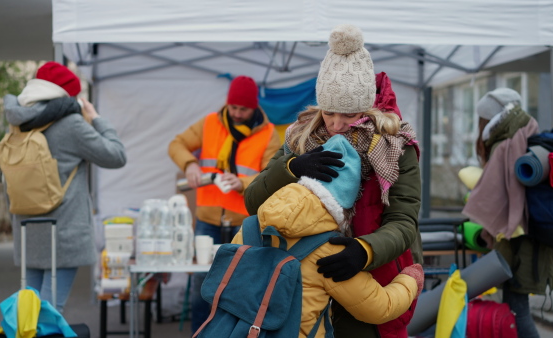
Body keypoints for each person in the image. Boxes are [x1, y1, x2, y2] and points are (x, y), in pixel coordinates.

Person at [243, 24, 422, 338]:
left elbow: (404, 222)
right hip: (299, 287)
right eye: (329, 113)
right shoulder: (300, 139)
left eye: (348, 115)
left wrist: (364, 250)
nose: (336, 125)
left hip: (368, 281)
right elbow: (253, 202)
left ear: (366, 108)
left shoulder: (395, 146)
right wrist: (292, 167)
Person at [231, 135, 423, 338]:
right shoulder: (329, 248)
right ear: (342, 206)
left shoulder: (250, 228)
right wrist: (410, 280)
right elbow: (379, 307)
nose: (337, 122)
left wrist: (288, 168)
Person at [3, 61, 127, 312]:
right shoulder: (71, 125)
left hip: (27, 227)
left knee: (29, 311)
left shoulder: (16, 122)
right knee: (50, 313)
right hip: (64, 229)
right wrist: (96, 118)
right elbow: (116, 156)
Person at [167, 75, 280, 333]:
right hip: (207, 222)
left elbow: (271, 177)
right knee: (202, 289)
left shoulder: (269, 135)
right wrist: (190, 163)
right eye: (233, 107)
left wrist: (242, 182)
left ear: (254, 108)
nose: (237, 113)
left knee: (241, 289)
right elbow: (176, 144)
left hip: (244, 224)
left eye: (243, 108)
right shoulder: (209, 123)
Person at [462, 87, 553, 338]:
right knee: (516, 308)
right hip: (532, 236)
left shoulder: (505, 145)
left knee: (517, 311)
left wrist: (485, 229)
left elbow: (498, 200)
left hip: (517, 241)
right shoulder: (527, 134)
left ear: (490, 120)